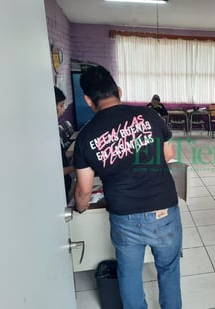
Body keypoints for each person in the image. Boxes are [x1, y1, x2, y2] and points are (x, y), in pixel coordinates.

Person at [73, 65, 182, 309]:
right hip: (163, 210)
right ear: (119, 90)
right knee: (169, 270)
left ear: (88, 100)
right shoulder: (150, 116)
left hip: (125, 217)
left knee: (129, 275)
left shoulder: (86, 136)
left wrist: (79, 209)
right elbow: (169, 154)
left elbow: (84, 190)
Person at [55, 86, 74, 202]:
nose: (64, 109)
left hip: (65, 185)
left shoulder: (52, 129)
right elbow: (54, 171)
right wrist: (76, 168)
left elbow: (61, 154)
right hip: (57, 188)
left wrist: (78, 152)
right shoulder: (45, 136)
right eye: (61, 105)